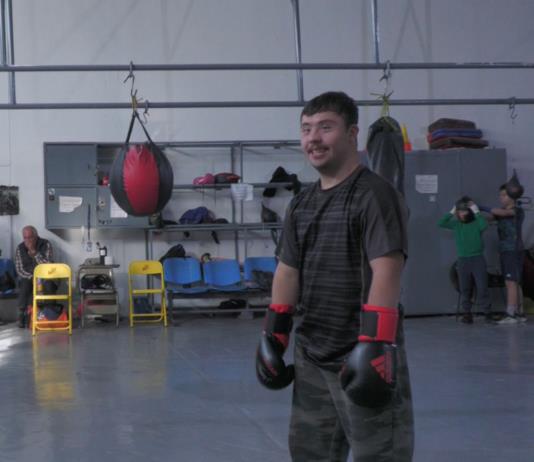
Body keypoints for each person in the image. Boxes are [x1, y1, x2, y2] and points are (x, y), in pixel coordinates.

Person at [255, 91, 414, 462]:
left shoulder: (375, 195)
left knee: (380, 455)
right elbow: (288, 270)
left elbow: (387, 269)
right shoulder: (302, 202)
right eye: (306, 129)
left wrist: (375, 344)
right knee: (310, 455)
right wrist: (274, 331)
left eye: (325, 127)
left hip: (359, 353)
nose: (313, 138)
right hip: (311, 354)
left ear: (352, 134)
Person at [437, 197, 491, 324]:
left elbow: (484, 225)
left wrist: (476, 211)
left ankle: (487, 313)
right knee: (465, 288)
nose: (462, 214)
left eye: (464, 211)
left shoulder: (476, 223)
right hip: (463, 260)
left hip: (478, 259)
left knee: (482, 286)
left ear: (469, 212)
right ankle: (467, 314)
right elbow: (441, 223)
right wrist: (452, 211)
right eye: (459, 212)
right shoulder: (457, 225)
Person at [481, 184, 526, 324]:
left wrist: (482, 207)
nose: (501, 197)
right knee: (513, 282)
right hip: (506, 250)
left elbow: (503, 213)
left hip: (513, 249)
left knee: (511, 282)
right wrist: (473, 212)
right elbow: (488, 219)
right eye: (500, 195)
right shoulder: (500, 212)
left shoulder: (517, 210)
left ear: (512, 196)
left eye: (504, 195)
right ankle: (519, 313)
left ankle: (511, 314)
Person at [14, 226, 53, 328]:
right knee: (24, 284)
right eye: (25, 238)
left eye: (30, 237)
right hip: (29, 277)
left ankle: (48, 314)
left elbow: (48, 265)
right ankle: (22, 315)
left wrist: (35, 253)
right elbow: (19, 269)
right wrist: (32, 277)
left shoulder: (45, 244)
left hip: (45, 276)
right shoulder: (20, 248)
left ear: (36, 236)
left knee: (49, 285)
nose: (28, 240)